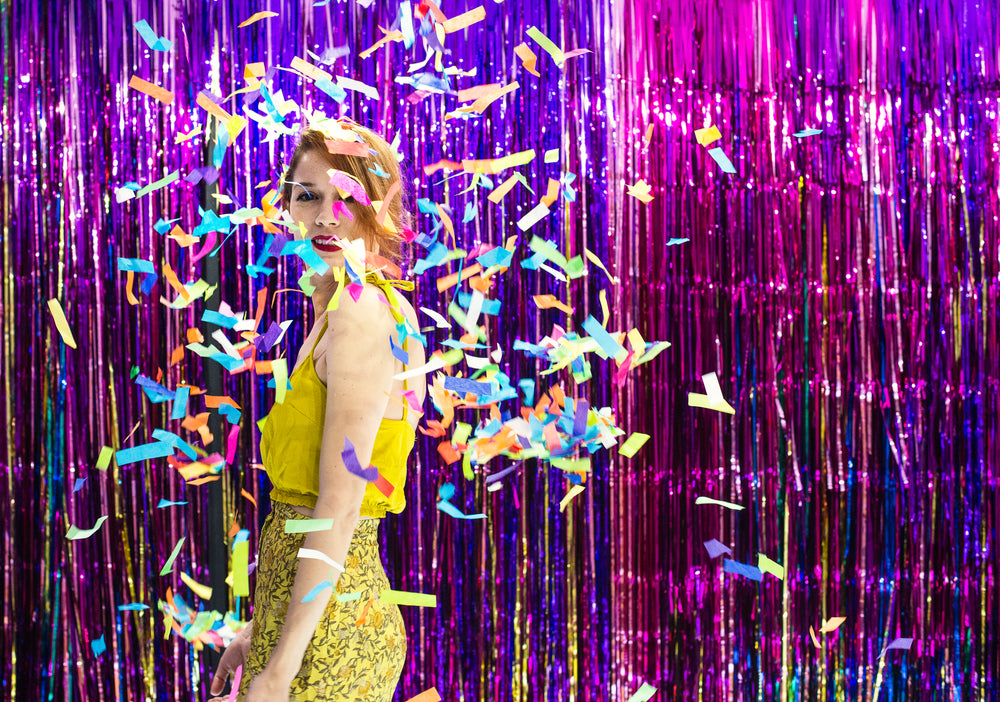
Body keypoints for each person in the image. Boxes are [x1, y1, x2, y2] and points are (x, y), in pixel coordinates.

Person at [208, 119, 426, 702]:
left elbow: (338, 506)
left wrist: (280, 670)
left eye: (347, 198)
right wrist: (263, 630)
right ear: (288, 207)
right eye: (308, 196)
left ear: (378, 208)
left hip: (332, 636)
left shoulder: (362, 314)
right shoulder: (343, 307)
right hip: (309, 620)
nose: (326, 216)